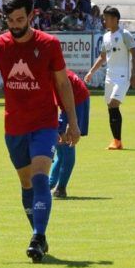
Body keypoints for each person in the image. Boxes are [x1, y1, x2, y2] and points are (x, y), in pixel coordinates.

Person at [0, 0, 81, 263]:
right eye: (10, 20)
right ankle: (38, 233)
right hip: (14, 126)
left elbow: (63, 84)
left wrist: (73, 121)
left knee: (41, 177)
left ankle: (38, 236)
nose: (15, 24)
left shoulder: (49, 44)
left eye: (20, 19)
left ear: (31, 16)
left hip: (44, 123)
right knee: (26, 183)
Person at [84, 6, 135, 150]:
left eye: (107, 18)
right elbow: (102, 57)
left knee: (114, 104)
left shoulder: (125, 34)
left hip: (123, 76)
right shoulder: (106, 36)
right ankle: (116, 141)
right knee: (110, 107)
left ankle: (117, 140)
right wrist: (91, 72)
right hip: (110, 76)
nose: (104, 21)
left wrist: (133, 74)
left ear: (115, 19)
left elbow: (134, 54)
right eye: (104, 18)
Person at [50, 70, 90, 198]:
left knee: (66, 144)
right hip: (74, 98)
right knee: (60, 147)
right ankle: (49, 184)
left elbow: (51, 106)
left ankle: (60, 188)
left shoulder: (48, 75)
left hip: (77, 101)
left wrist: (68, 124)